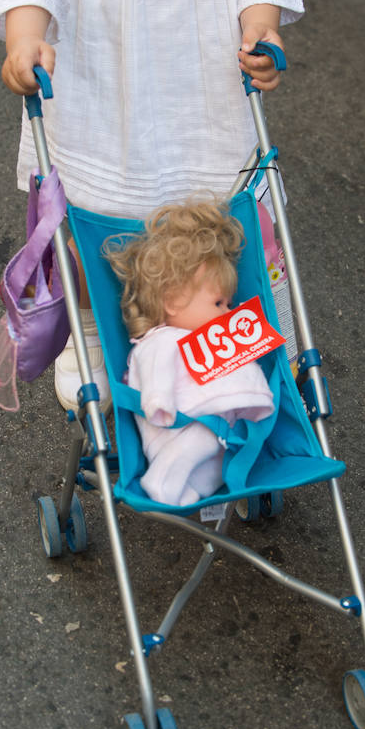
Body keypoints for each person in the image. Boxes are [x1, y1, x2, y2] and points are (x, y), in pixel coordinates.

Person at [0, 0, 303, 412]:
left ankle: (211, 342)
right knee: (94, 219)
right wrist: (24, 36)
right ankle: (88, 327)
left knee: (212, 228)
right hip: (102, 89)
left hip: (203, 99)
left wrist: (261, 26)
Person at [104, 199, 275, 507]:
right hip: (177, 427)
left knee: (211, 452)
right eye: (218, 303)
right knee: (204, 441)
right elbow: (157, 374)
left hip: (220, 433)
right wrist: (159, 402)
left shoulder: (209, 341)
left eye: (228, 303)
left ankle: (189, 489)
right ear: (172, 302)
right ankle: (162, 479)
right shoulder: (161, 340)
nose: (229, 312)